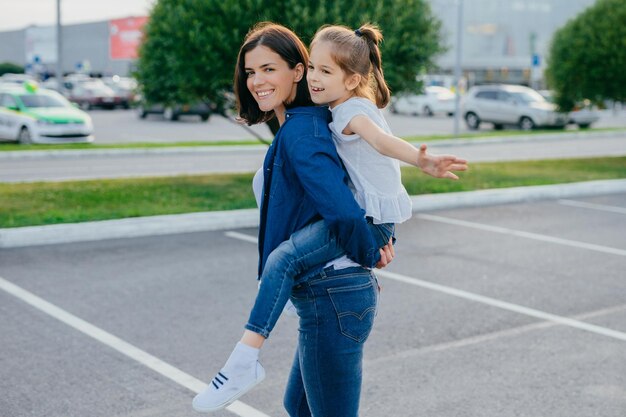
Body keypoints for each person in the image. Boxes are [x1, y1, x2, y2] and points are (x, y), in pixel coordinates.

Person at [192, 22, 466, 415]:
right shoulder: (316, 120)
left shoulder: (310, 129)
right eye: (251, 71)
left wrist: (371, 250)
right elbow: (344, 195)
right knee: (298, 406)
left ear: (296, 72)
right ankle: (244, 360)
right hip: (330, 293)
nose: (257, 81)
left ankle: (242, 361)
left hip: (333, 297)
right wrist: (372, 249)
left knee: (283, 262)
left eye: (270, 69)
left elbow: (347, 205)